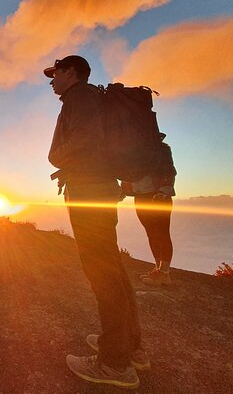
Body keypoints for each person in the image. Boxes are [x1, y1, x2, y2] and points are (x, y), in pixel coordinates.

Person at [45, 55, 147, 389]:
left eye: (55, 73)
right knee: (112, 267)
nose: (51, 80)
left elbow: (84, 142)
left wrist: (57, 157)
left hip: (90, 193)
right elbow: (95, 145)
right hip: (100, 189)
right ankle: (129, 348)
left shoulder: (80, 97)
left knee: (102, 272)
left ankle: (114, 363)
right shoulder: (93, 98)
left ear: (71, 72)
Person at [121, 135, 177, 286]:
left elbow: (169, 170)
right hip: (141, 196)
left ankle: (164, 273)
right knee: (151, 232)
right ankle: (158, 269)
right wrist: (124, 190)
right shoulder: (132, 152)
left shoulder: (161, 149)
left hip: (158, 196)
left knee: (161, 232)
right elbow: (127, 175)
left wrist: (164, 191)